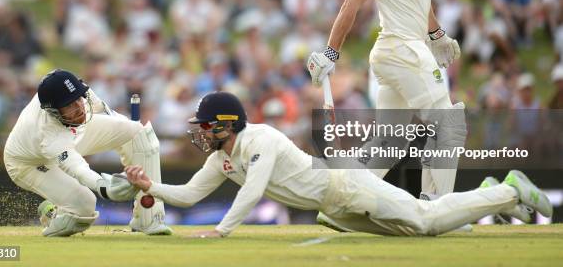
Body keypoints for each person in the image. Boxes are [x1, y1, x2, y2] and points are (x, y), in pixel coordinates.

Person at [124, 91, 552, 237]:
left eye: (205, 125)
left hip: (346, 184)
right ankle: (492, 198)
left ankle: (510, 189)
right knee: (419, 231)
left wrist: (221, 231)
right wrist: (150, 186)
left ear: (226, 123)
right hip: (335, 208)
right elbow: (189, 194)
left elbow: (253, 192)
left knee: (423, 223)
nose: (200, 133)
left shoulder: (261, 139)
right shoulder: (223, 158)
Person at [307, 0, 466, 201]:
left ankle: (345, 200)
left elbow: (421, 2)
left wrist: (437, 35)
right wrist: (331, 52)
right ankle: (437, 207)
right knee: (448, 124)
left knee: (388, 143)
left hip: (405, 52)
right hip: (400, 50)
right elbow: (350, 5)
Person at [3, 69, 171, 236]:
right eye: (69, 105)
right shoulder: (48, 134)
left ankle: (149, 218)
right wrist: (106, 187)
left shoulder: (77, 90)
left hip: (72, 133)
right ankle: (51, 212)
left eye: (78, 99)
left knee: (139, 133)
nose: (79, 108)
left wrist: (132, 134)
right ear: (54, 111)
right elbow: (79, 170)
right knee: (84, 208)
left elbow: (109, 115)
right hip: (27, 163)